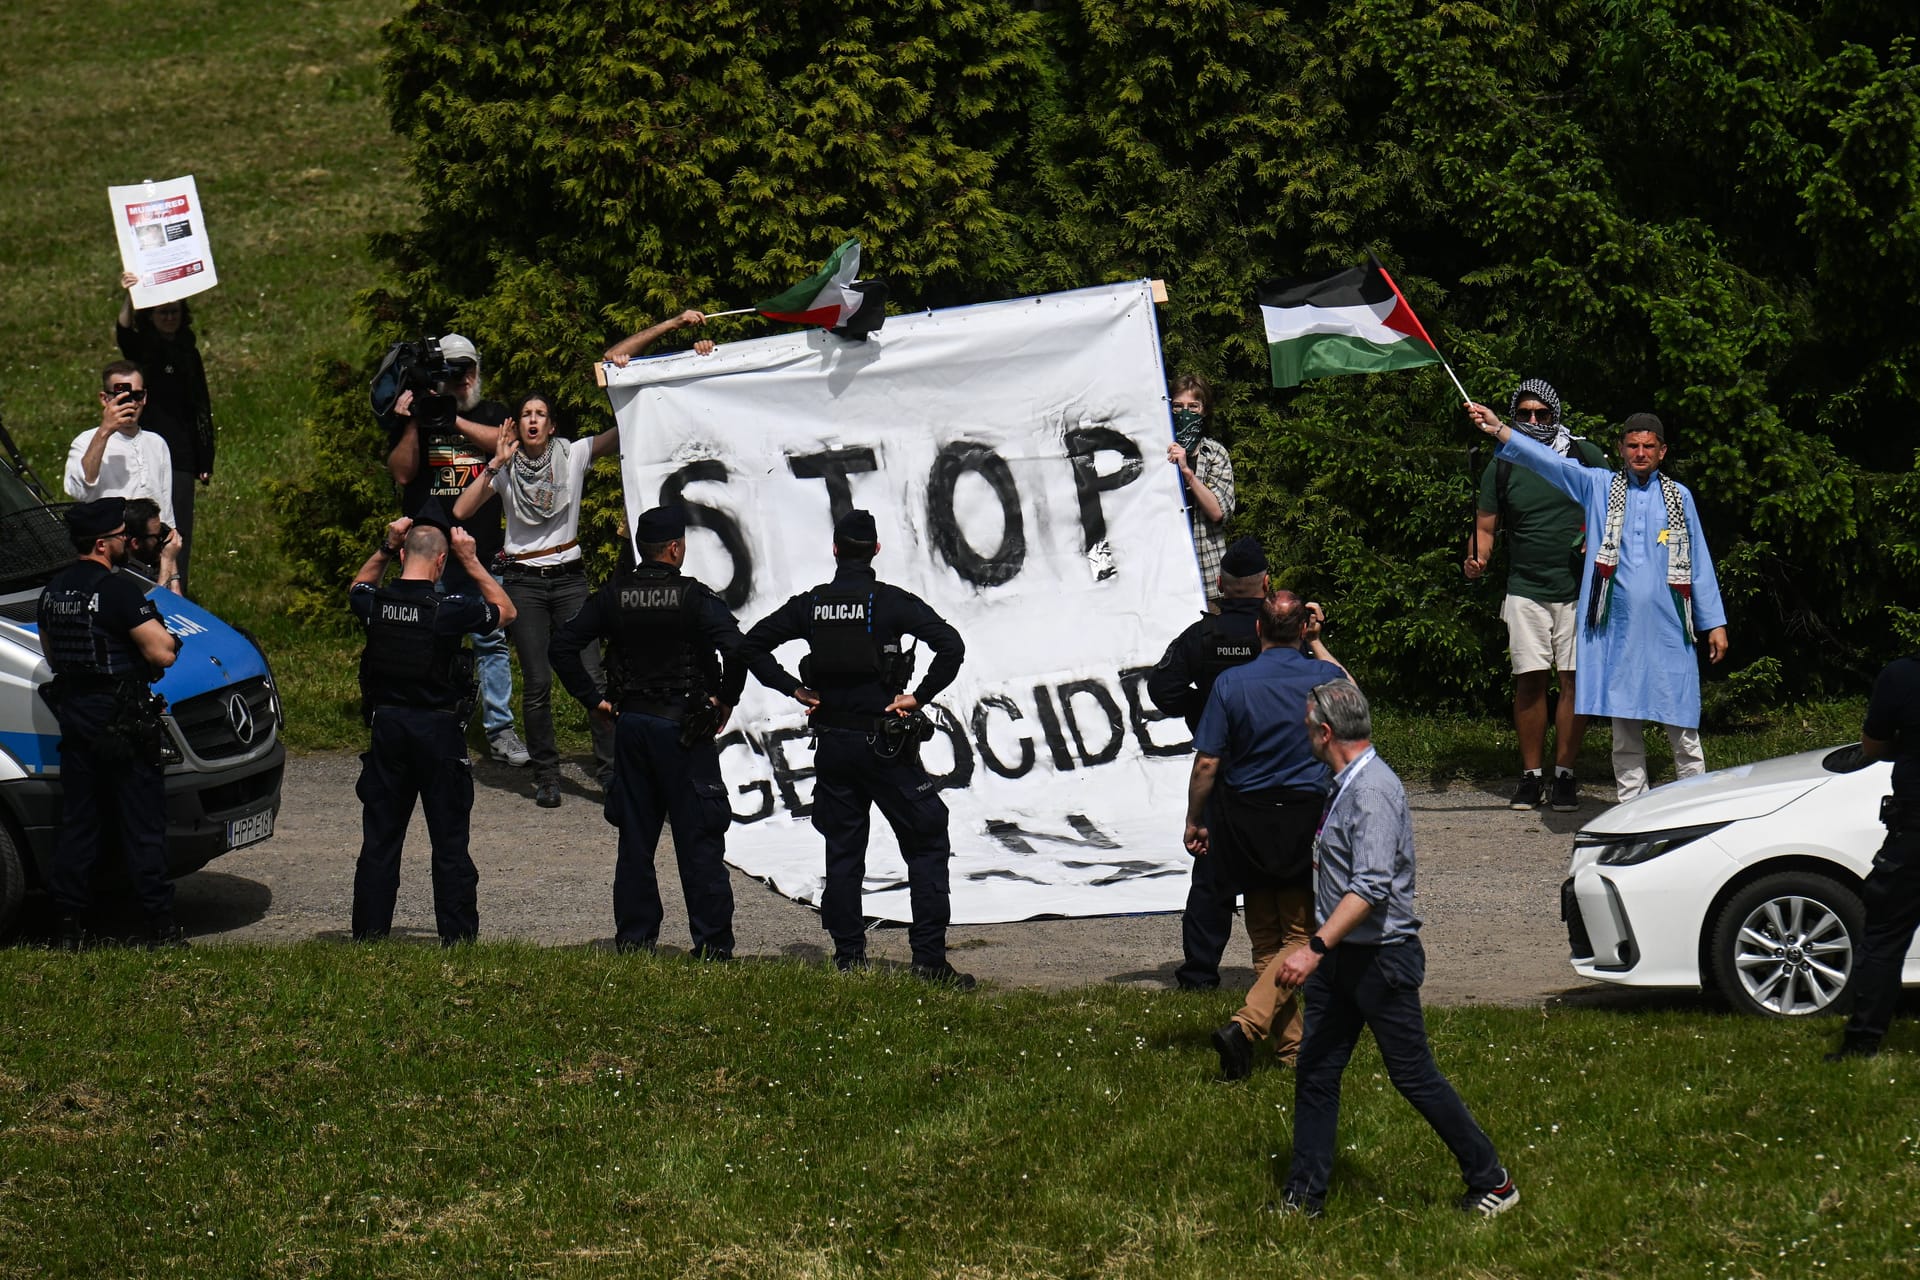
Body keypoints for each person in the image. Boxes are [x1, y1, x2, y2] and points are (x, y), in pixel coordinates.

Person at [1272, 680, 1517, 1218]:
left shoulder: (1372, 792)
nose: (1304, 736)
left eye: (1308, 728)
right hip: (1342, 960)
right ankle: (1303, 1197)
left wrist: (1313, 948)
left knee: (1412, 1075)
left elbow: (1371, 887)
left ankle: (1493, 1181)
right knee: (1316, 1070)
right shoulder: (1346, 780)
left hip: (1379, 959)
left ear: (1326, 732)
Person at [742, 509, 971, 985]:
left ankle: (849, 957)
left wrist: (794, 690)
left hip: (833, 746)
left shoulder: (813, 605)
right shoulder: (889, 602)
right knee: (928, 837)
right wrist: (918, 696)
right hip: (884, 746)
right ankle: (928, 961)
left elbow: (752, 644)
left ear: (834, 549)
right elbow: (951, 645)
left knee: (844, 851)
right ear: (876, 550)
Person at [1467, 405, 1729, 801]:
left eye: (1648, 446)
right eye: (1633, 445)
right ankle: (1632, 809)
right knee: (1625, 728)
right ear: (1621, 449)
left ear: (1662, 452)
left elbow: (1699, 561)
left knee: (1682, 725)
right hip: (1618, 631)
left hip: (1670, 629)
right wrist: (1500, 429)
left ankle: (1691, 808)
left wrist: (1715, 623)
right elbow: (1546, 461)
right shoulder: (1599, 487)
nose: (1640, 453)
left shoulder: (1680, 499)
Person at [550, 505, 750, 956]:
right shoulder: (694, 598)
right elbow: (737, 649)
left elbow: (562, 645)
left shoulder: (614, 596)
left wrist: (594, 699)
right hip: (683, 730)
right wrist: (725, 699)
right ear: (676, 548)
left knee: (636, 840)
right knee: (698, 837)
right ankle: (713, 945)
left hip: (633, 727)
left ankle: (635, 940)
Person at [1182, 592, 1347, 1079]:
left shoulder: (1231, 682)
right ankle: (1253, 1027)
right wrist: (1318, 645)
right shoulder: (1322, 676)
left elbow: (1207, 762)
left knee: (1264, 941)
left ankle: (1286, 1049)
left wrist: (1195, 818)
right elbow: (1354, 701)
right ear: (1301, 629)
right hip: (1303, 815)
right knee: (1297, 934)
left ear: (1257, 630)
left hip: (1246, 819)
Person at [1149, 537, 1322, 990]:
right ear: (1267, 584)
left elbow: (1161, 688)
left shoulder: (1203, 636)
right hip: (1287, 776)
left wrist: (1201, 712)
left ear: (1222, 585)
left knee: (1212, 882)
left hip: (1227, 777)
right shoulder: (1291, 637)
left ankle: (1200, 975)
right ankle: (1296, 968)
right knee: (1292, 878)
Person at [349, 505, 517, 945]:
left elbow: (358, 585)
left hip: (387, 730)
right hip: (437, 734)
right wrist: (472, 559)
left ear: (403, 555)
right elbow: (506, 611)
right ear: (441, 561)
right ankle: (457, 939)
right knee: (448, 842)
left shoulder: (376, 603)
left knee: (380, 840)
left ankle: (369, 934)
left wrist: (385, 545)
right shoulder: (448, 610)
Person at [455, 392, 617, 807]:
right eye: (526, 414)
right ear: (517, 426)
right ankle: (547, 775)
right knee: (538, 683)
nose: (532, 420)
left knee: (592, 676)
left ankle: (610, 770)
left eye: (540, 414)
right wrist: (495, 462)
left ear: (551, 426)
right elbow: (461, 509)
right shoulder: (507, 470)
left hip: (568, 580)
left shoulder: (573, 455)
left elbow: (620, 434)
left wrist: (634, 385)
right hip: (524, 581)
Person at [37, 497, 182, 949]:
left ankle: (67, 928)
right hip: (122, 719)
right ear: (102, 544)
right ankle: (160, 927)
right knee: (143, 824)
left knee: (81, 824)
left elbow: (52, 652)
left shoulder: (53, 590)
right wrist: (169, 637)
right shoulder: (117, 589)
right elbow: (161, 653)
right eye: (120, 536)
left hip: (77, 719)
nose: (126, 541)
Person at [383, 334, 528, 769]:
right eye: (454, 371)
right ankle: (435, 723)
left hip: (480, 549)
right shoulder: (417, 415)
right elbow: (403, 474)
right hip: (429, 550)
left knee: (492, 639)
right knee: (429, 638)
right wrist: (414, 421)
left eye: (468, 370)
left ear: (478, 370)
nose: (463, 379)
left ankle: (500, 730)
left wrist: (451, 420)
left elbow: (505, 443)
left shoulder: (493, 413)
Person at [1464, 378, 1605, 812]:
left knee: (1574, 682)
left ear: (1555, 414)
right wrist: (1477, 559)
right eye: (1523, 414)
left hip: (1578, 589)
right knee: (1529, 680)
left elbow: (1611, 505)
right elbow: (1485, 527)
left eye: (1540, 414)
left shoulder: (1583, 454)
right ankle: (1530, 777)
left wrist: (1593, 537)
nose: (1531, 421)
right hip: (1525, 587)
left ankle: (1564, 775)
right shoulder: (1503, 463)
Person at [1825, 653, 1920, 1061]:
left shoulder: (1903, 674)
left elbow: (1873, 745)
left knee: (1883, 937)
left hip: (1914, 833)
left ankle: (1862, 1042)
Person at [116, 272, 213, 592]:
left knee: (178, 527)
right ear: (151, 316)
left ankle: (176, 588)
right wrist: (131, 294)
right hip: (146, 449)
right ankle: (142, 586)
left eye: (175, 311)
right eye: (162, 312)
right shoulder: (144, 350)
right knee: (145, 524)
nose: (170, 318)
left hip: (182, 454)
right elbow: (124, 332)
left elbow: (200, 404)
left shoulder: (189, 351)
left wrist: (205, 457)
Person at [65, 362, 175, 526]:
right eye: (122, 396)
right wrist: (105, 431)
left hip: (150, 544)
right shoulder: (85, 441)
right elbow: (78, 491)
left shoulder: (157, 443)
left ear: (144, 397)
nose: (131, 403)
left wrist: (170, 537)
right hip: (109, 542)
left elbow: (165, 504)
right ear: (105, 399)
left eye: (136, 395)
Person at [1167, 374, 1236, 608]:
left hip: (1208, 581)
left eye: (1192, 407)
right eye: (1178, 406)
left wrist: (1187, 473)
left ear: (1204, 410)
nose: (1185, 413)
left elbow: (1218, 511)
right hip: (1168, 579)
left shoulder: (1214, 454)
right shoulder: (1159, 453)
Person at [121, 497, 183, 596]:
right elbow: (162, 605)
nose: (161, 539)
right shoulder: (123, 576)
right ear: (135, 543)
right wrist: (167, 559)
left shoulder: (148, 561)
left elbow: (178, 607)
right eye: (157, 536)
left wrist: (171, 559)